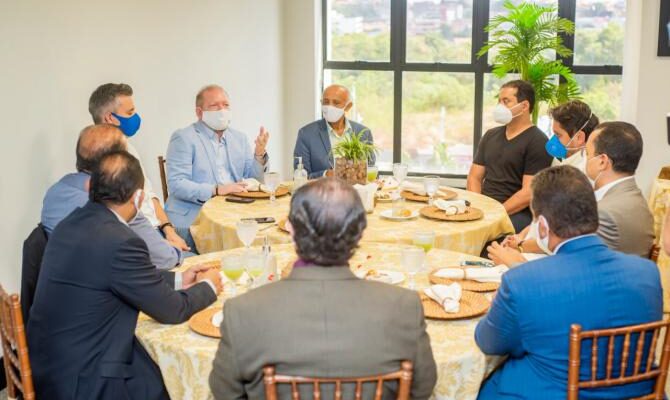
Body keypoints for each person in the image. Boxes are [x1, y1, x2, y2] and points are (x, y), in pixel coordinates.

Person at [209, 178, 437, 399]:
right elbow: (422, 387)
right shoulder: (404, 306)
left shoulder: (242, 311)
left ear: (291, 230)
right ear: (360, 233)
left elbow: (226, 393)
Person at [28, 151, 222, 400]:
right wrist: (208, 286)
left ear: (91, 186)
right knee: (168, 380)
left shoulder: (72, 222)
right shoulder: (121, 240)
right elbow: (173, 311)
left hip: (51, 363)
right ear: (138, 198)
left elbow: (116, 274)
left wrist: (179, 279)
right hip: (88, 378)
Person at [476, 165, 662, 399]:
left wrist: (497, 305)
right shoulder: (648, 272)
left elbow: (489, 343)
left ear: (542, 226)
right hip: (640, 393)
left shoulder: (522, 281)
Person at [490, 121, 654, 264]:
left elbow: (572, 268)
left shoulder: (605, 213)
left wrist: (515, 262)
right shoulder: (633, 197)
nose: (585, 160)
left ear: (602, 161)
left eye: (587, 153)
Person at [40, 124, 182, 269]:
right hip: (114, 276)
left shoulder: (54, 192)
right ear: (115, 162)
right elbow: (164, 259)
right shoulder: (116, 200)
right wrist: (175, 250)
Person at [89, 83, 191, 254]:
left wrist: (168, 229)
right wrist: (163, 245)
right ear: (109, 118)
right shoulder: (106, 163)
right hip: (143, 239)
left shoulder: (128, 147)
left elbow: (149, 194)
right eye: (130, 113)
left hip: (159, 228)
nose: (135, 117)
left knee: (209, 242)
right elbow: (128, 226)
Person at [165, 84, 270, 249]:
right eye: (214, 106)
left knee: (262, 238)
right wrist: (216, 190)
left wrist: (259, 154)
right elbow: (177, 184)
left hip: (231, 212)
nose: (222, 110)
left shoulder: (239, 138)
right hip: (194, 216)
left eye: (226, 105)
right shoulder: (184, 137)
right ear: (199, 112)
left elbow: (255, 179)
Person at [467, 80, 553, 233]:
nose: (500, 106)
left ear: (524, 106)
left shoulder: (538, 141)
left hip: (515, 213)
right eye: (499, 101)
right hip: (484, 207)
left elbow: (528, 192)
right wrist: (478, 207)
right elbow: (474, 177)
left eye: (506, 101)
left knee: (481, 232)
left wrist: (495, 213)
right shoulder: (490, 135)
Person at [293, 84, 375, 178]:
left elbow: (370, 170)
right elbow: (300, 177)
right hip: (322, 187)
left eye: (336, 103)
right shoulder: (306, 134)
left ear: (348, 106)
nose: (329, 107)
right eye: (326, 102)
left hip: (356, 187)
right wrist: (325, 174)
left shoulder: (364, 133)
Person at [544, 100, 599, 169]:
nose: (553, 140)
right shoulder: (565, 160)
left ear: (579, 137)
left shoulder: (584, 170)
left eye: (558, 135)